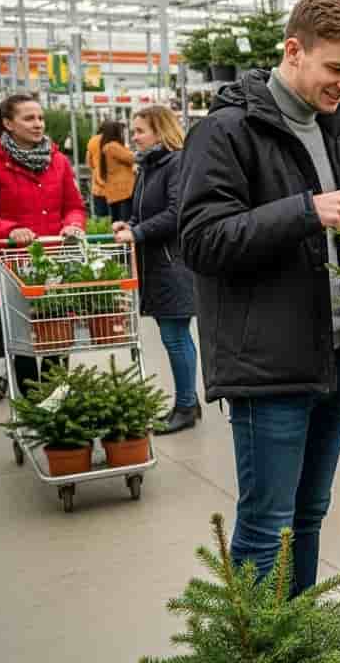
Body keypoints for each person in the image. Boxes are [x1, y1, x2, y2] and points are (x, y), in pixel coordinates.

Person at [178, 0, 340, 595]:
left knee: (309, 515)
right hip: (268, 367)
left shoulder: (336, 127)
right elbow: (201, 241)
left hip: (332, 357)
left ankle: (297, 631)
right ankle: (255, 639)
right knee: (267, 526)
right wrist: (305, 211)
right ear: (294, 51)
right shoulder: (226, 131)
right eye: (336, 69)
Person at [0, 95, 87, 392]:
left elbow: (75, 206)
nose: (38, 124)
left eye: (40, 118)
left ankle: (55, 408)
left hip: (55, 266)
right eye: (28, 118)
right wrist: (11, 229)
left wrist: (73, 223)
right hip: (13, 268)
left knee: (58, 340)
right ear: (8, 123)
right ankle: (33, 411)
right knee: (24, 347)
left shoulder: (58, 161)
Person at [112, 106, 200, 435]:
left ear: (159, 131)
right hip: (157, 265)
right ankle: (189, 401)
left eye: (139, 131)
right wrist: (129, 223)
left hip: (173, 265)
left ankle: (186, 406)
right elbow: (144, 210)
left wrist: (137, 232)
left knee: (175, 337)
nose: (134, 137)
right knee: (174, 335)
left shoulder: (176, 163)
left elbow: (177, 213)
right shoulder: (149, 165)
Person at [97, 120, 136, 223]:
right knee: (125, 222)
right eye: (121, 131)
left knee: (117, 221)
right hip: (123, 190)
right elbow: (131, 158)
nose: (122, 134)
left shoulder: (106, 146)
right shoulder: (113, 146)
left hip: (114, 191)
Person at [86, 131, 109, 217]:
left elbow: (89, 162)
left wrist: (96, 170)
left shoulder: (93, 141)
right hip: (115, 189)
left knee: (101, 218)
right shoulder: (115, 140)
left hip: (98, 188)